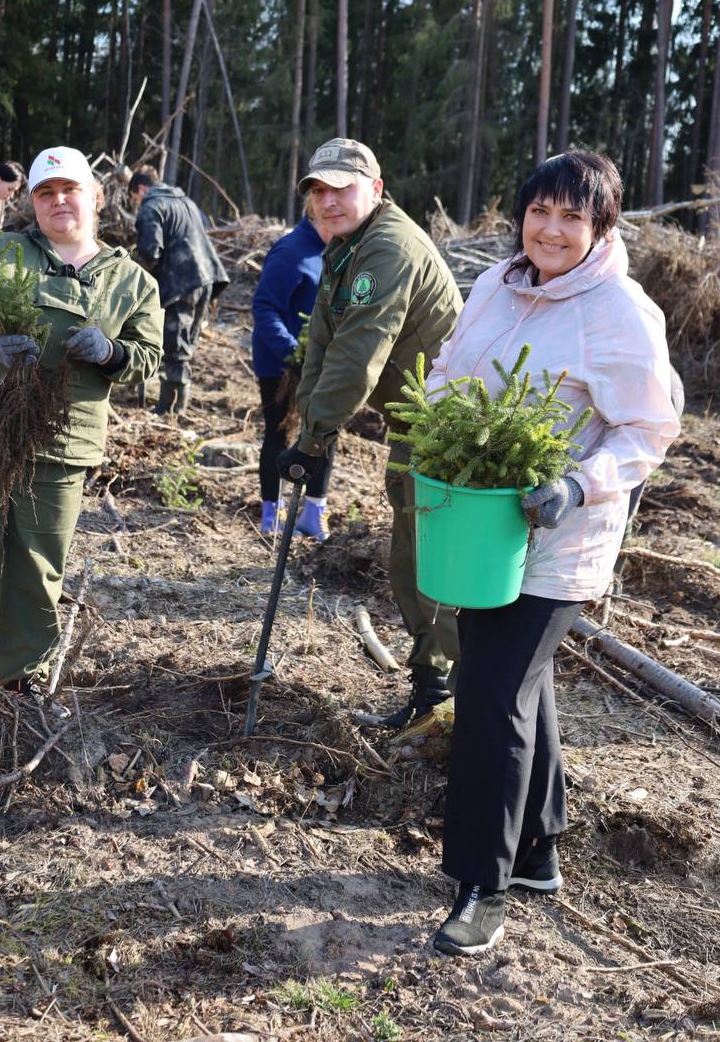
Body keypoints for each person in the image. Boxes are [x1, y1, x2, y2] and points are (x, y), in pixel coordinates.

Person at [426, 151, 680, 956]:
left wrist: (577, 484)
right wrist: (436, 435)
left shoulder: (619, 312)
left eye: (573, 217)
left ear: (601, 227)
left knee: (490, 694)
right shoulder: (495, 286)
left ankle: (481, 884)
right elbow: (448, 370)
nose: (551, 229)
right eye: (541, 211)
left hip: (561, 538)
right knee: (519, 685)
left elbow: (649, 429)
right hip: (478, 525)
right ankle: (535, 850)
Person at [0, 146, 164, 700]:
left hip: (63, 443)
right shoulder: (3, 253)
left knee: (36, 571)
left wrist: (110, 352)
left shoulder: (131, 282)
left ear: (95, 197)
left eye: (70, 190)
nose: (59, 202)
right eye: (46, 193)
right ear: (33, 201)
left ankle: (17, 683)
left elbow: (148, 354)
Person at [277, 137, 463, 724]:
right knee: (410, 559)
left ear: (375, 189)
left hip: (449, 429)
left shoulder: (387, 249)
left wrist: (312, 439)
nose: (329, 201)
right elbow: (323, 346)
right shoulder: (345, 248)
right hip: (416, 424)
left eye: (342, 188)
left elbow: (358, 360)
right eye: (318, 191)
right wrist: (309, 426)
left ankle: (448, 696)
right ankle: (436, 688)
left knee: (427, 562)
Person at [252, 207, 335, 539]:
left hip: (321, 361)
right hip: (281, 364)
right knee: (279, 433)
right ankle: (272, 514)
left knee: (326, 430)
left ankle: (314, 512)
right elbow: (264, 306)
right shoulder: (291, 251)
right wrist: (291, 353)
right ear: (315, 212)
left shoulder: (338, 251)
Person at [130, 166, 229, 415]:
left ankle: (171, 410)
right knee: (186, 343)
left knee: (175, 344)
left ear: (141, 189)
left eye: (134, 198)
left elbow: (150, 252)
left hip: (181, 281)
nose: (136, 203)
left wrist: (129, 272)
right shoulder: (185, 201)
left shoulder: (151, 206)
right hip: (206, 277)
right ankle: (174, 405)